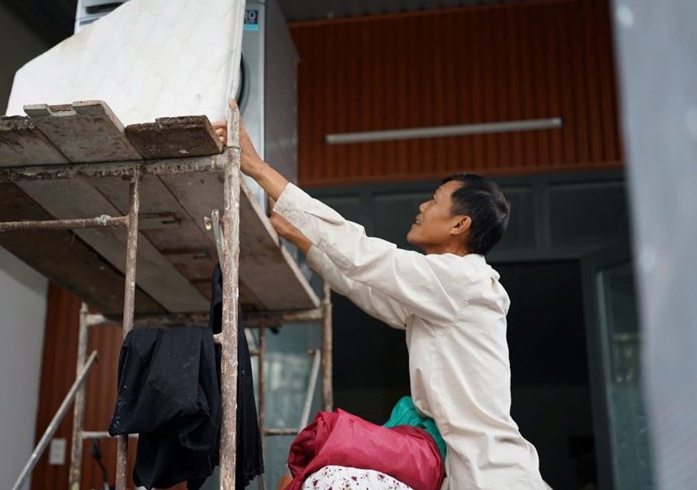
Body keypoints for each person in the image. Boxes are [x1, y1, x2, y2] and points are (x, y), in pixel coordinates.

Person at [214, 110, 550, 489]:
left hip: (496, 477)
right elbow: (368, 289)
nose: (422, 208)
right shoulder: (445, 293)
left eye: (434, 200)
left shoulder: (462, 280)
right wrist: (303, 237)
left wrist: (257, 168)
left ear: (459, 225)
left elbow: (363, 253)